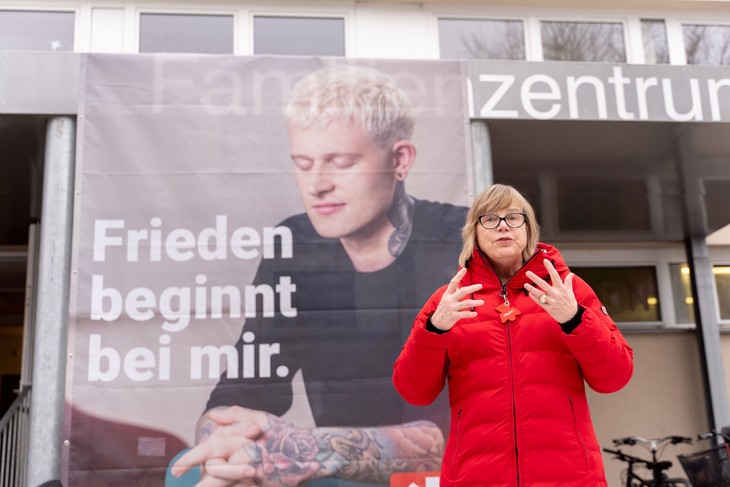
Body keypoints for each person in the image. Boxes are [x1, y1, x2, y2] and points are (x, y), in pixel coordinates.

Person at [170, 65, 468, 486]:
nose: (317, 185)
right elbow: (242, 389)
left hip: (458, 474)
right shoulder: (294, 242)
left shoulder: (465, 242)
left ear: (399, 160)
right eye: (303, 163)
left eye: (340, 162)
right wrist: (227, 441)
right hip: (339, 473)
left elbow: (464, 428)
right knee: (195, 471)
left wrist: (300, 450)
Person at [392, 184, 634, 487]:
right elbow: (413, 392)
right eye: (490, 219)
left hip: (567, 477)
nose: (503, 226)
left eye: (513, 217)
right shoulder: (451, 299)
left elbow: (616, 376)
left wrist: (574, 319)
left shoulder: (567, 290)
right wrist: (435, 329)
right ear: (474, 233)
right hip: (475, 478)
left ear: (528, 228)